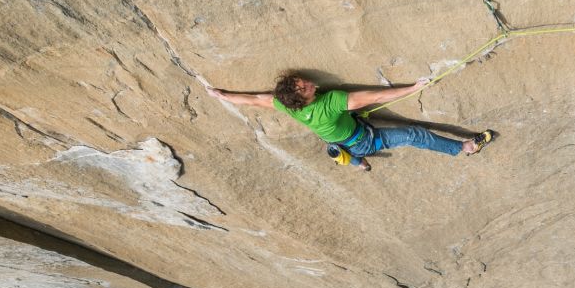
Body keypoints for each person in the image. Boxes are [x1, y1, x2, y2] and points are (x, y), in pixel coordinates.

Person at [207, 74, 494, 172]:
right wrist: (411, 88)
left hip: (341, 139)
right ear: (303, 99)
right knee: (414, 135)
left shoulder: (287, 105)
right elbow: (374, 96)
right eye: (304, 86)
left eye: (301, 81)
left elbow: (255, 99)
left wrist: (223, 95)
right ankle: (465, 148)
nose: (307, 83)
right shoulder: (331, 103)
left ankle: (358, 164)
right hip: (364, 139)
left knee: (348, 153)